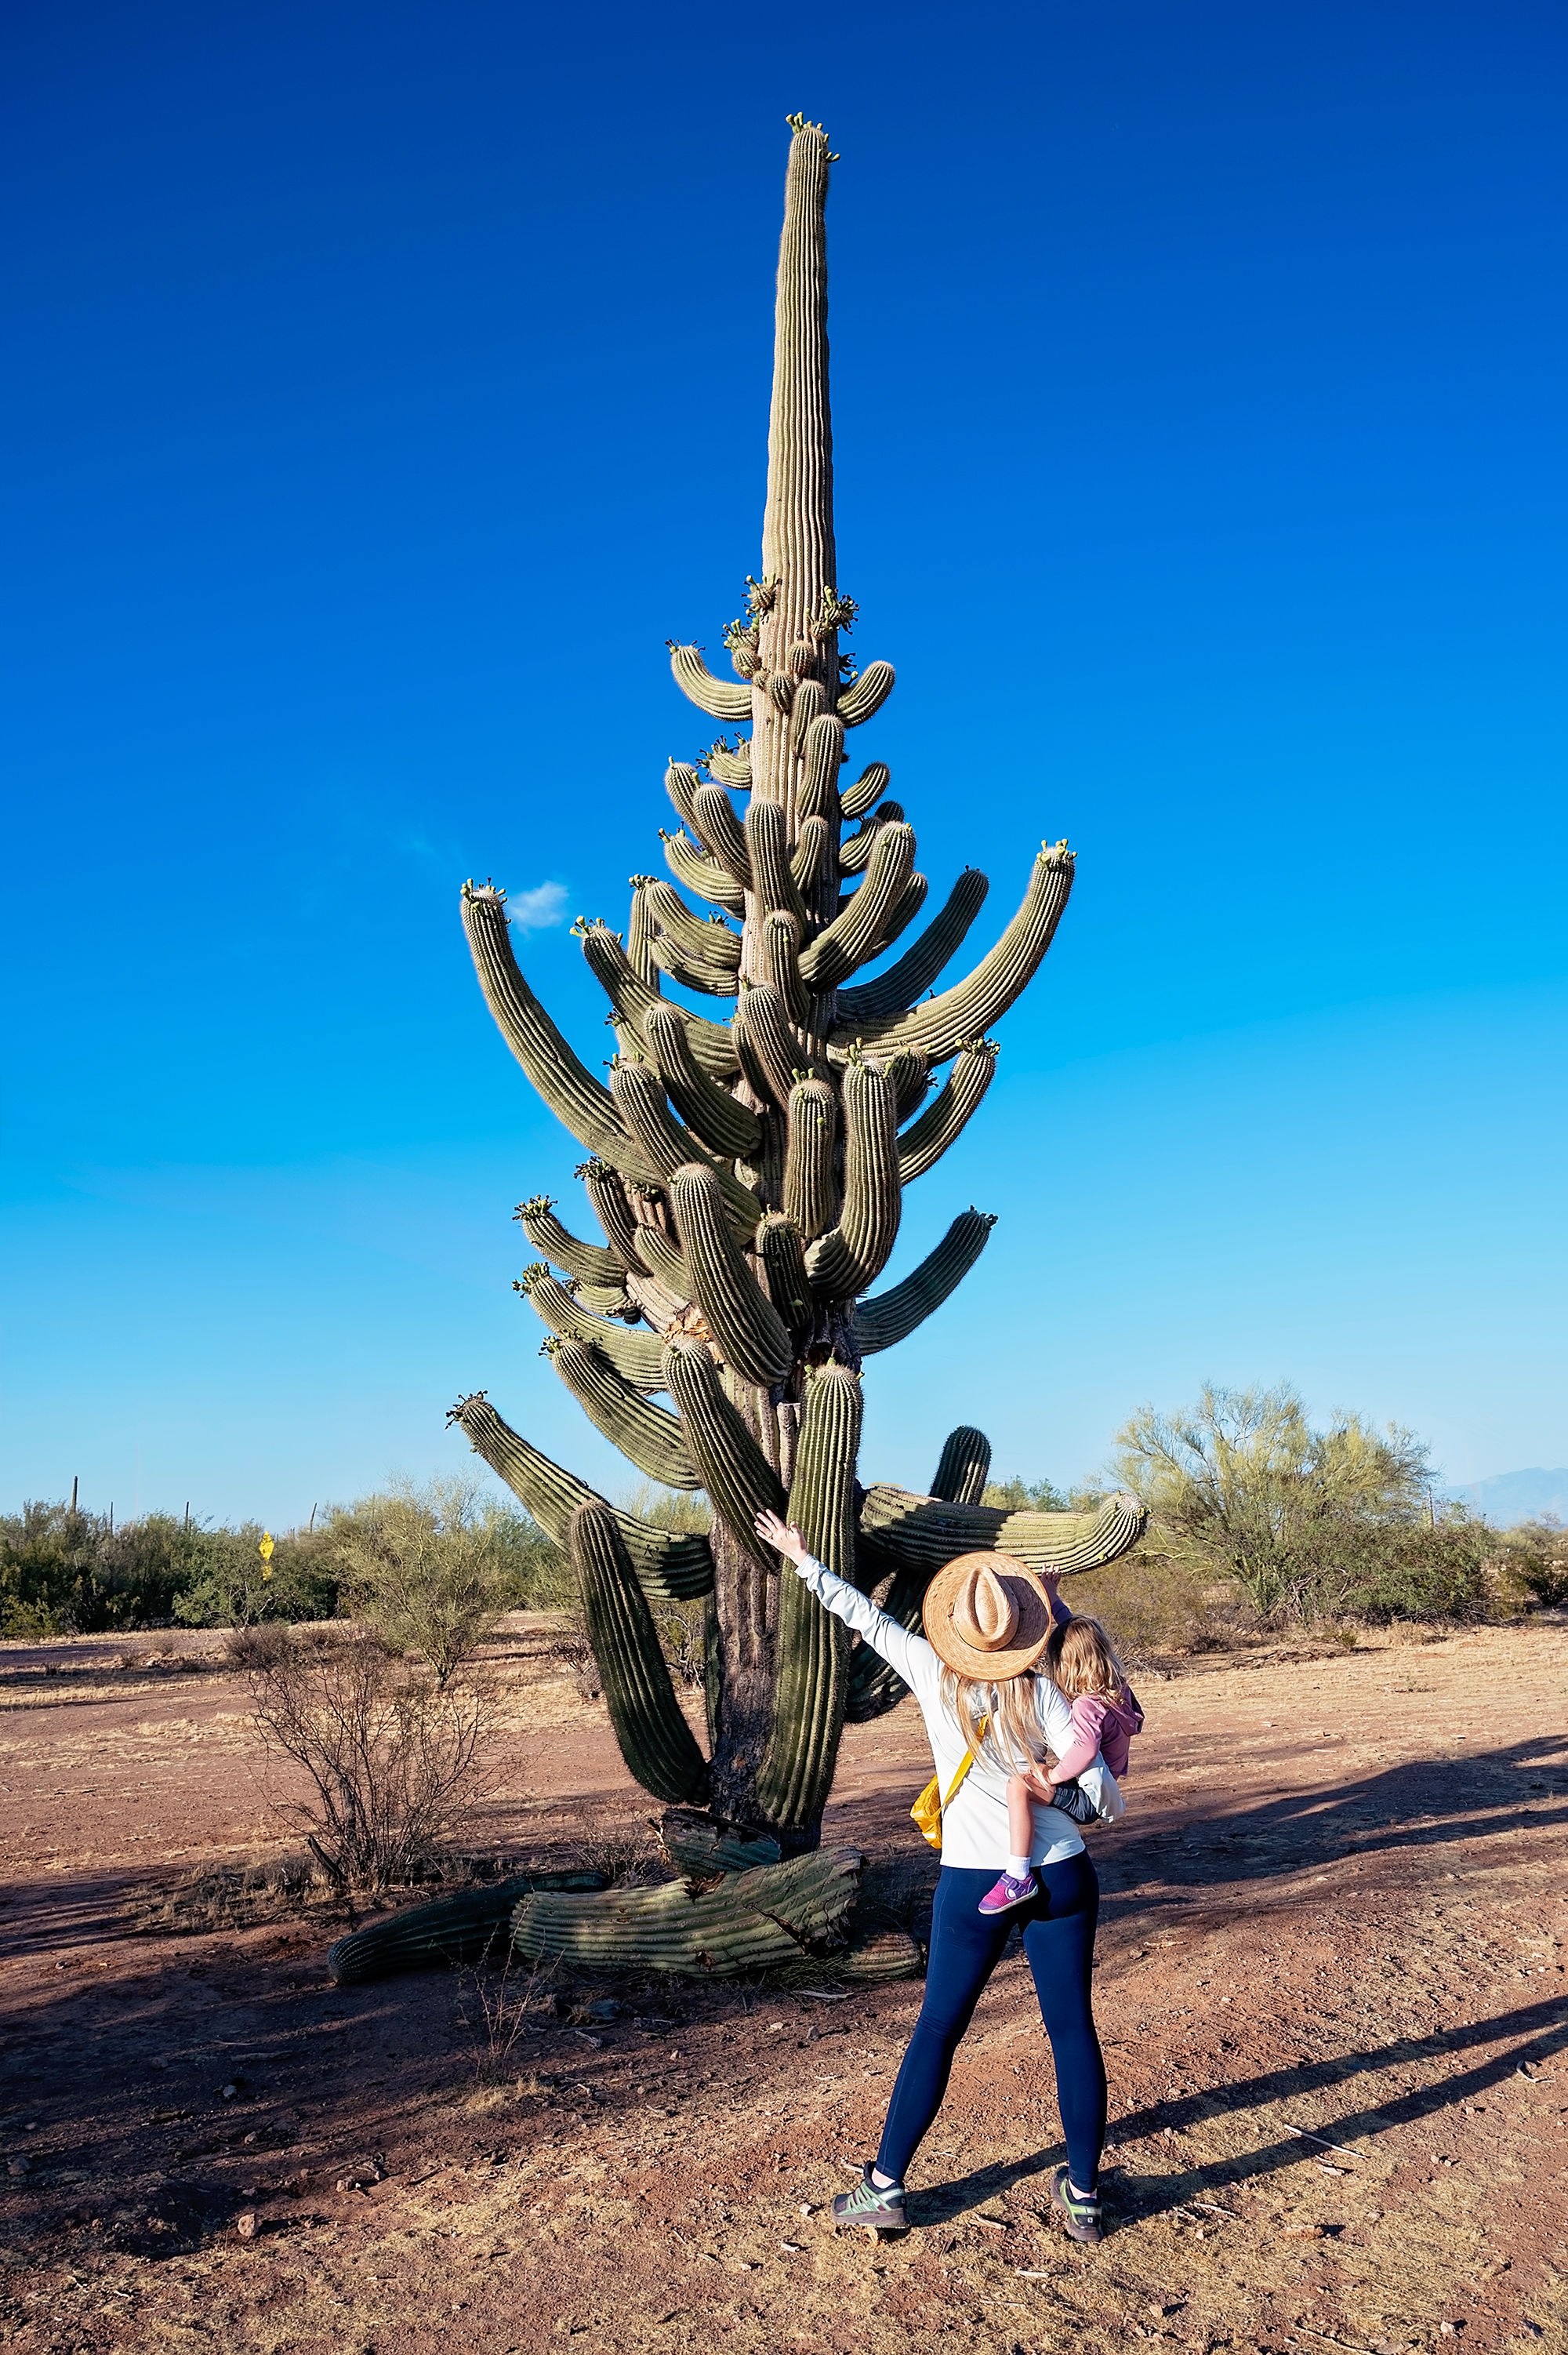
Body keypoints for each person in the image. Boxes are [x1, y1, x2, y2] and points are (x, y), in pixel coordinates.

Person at [754, 1509, 1122, 2247]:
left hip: (974, 1882)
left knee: (938, 2030)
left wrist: (800, 1555)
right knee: (1071, 2029)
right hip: (1062, 1874)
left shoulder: (930, 1669)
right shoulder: (1047, 1694)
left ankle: (884, 2186)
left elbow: (860, 1613)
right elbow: (1107, 1800)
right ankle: (1082, 2194)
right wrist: (1050, 1789)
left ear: (960, 1628)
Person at [981, 1607, 1143, 1918]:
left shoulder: (1086, 1706)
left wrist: (1053, 1775)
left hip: (1087, 1800)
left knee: (1019, 1786)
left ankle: (1017, 1876)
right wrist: (1054, 1601)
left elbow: (1084, 1750)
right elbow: (1079, 1635)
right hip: (1098, 1790)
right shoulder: (1118, 1690)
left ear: (1065, 1664)